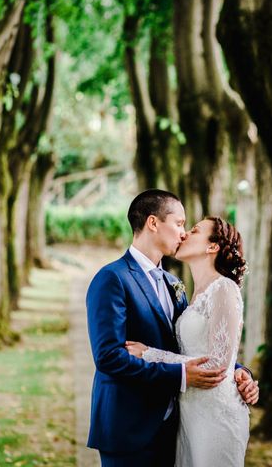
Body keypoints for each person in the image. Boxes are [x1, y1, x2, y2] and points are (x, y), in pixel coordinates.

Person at [86, 189, 259, 466]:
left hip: (176, 427)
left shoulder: (174, 284)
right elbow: (108, 356)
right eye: (179, 224)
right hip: (129, 428)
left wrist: (240, 373)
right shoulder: (111, 278)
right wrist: (179, 374)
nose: (183, 233)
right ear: (153, 223)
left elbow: (193, 346)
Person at [125, 215, 251, 467]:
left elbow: (217, 365)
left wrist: (149, 354)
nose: (184, 234)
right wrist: (241, 372)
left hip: (216, 415)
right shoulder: (190, 293)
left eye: (193, 230)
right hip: (190, 412)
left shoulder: (224, 288)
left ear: (212, 246)